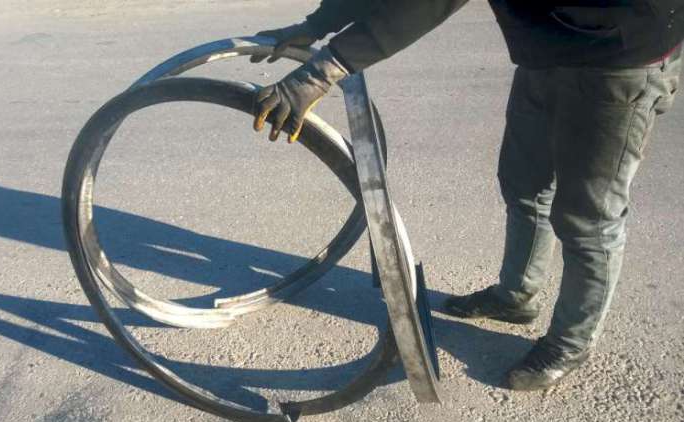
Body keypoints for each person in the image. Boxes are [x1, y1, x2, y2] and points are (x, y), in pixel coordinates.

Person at [250, 1, 683, 390]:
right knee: (524, 186)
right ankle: (516, 297)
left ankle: (572, 342)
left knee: (588, 218)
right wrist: (317, 23)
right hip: (548, 48)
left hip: (620, 54)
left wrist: (323, 69)